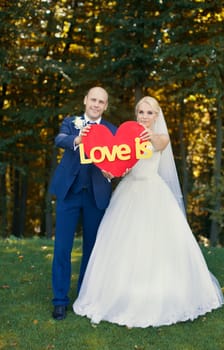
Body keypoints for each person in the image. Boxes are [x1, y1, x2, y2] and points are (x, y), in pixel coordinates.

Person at [73, 96, 224, 328]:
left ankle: (159, 294)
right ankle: (118, 295)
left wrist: (146, 135)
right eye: (141, 112)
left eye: (149, 113)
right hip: (128, 192)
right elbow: (122, 166)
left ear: (157, 115)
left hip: (153, 192)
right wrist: (109, 171)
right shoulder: (128, 137)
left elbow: (158, 144)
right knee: (123, 244)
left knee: (155, 244)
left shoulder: (161, 137)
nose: (144, 116)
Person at [49, 86, 117, 320]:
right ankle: (59, 300)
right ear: (85, 100)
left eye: (101, 102)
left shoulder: (111, 130)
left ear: (106, 106)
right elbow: (59, 139)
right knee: (62, 248)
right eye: (93, 100)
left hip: (96, 196)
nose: (96, 104)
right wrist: (78, 138)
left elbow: (118, 161)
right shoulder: (71, 122)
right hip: (69, 193)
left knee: (92, 249)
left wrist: (112, 172)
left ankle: (84, 296)